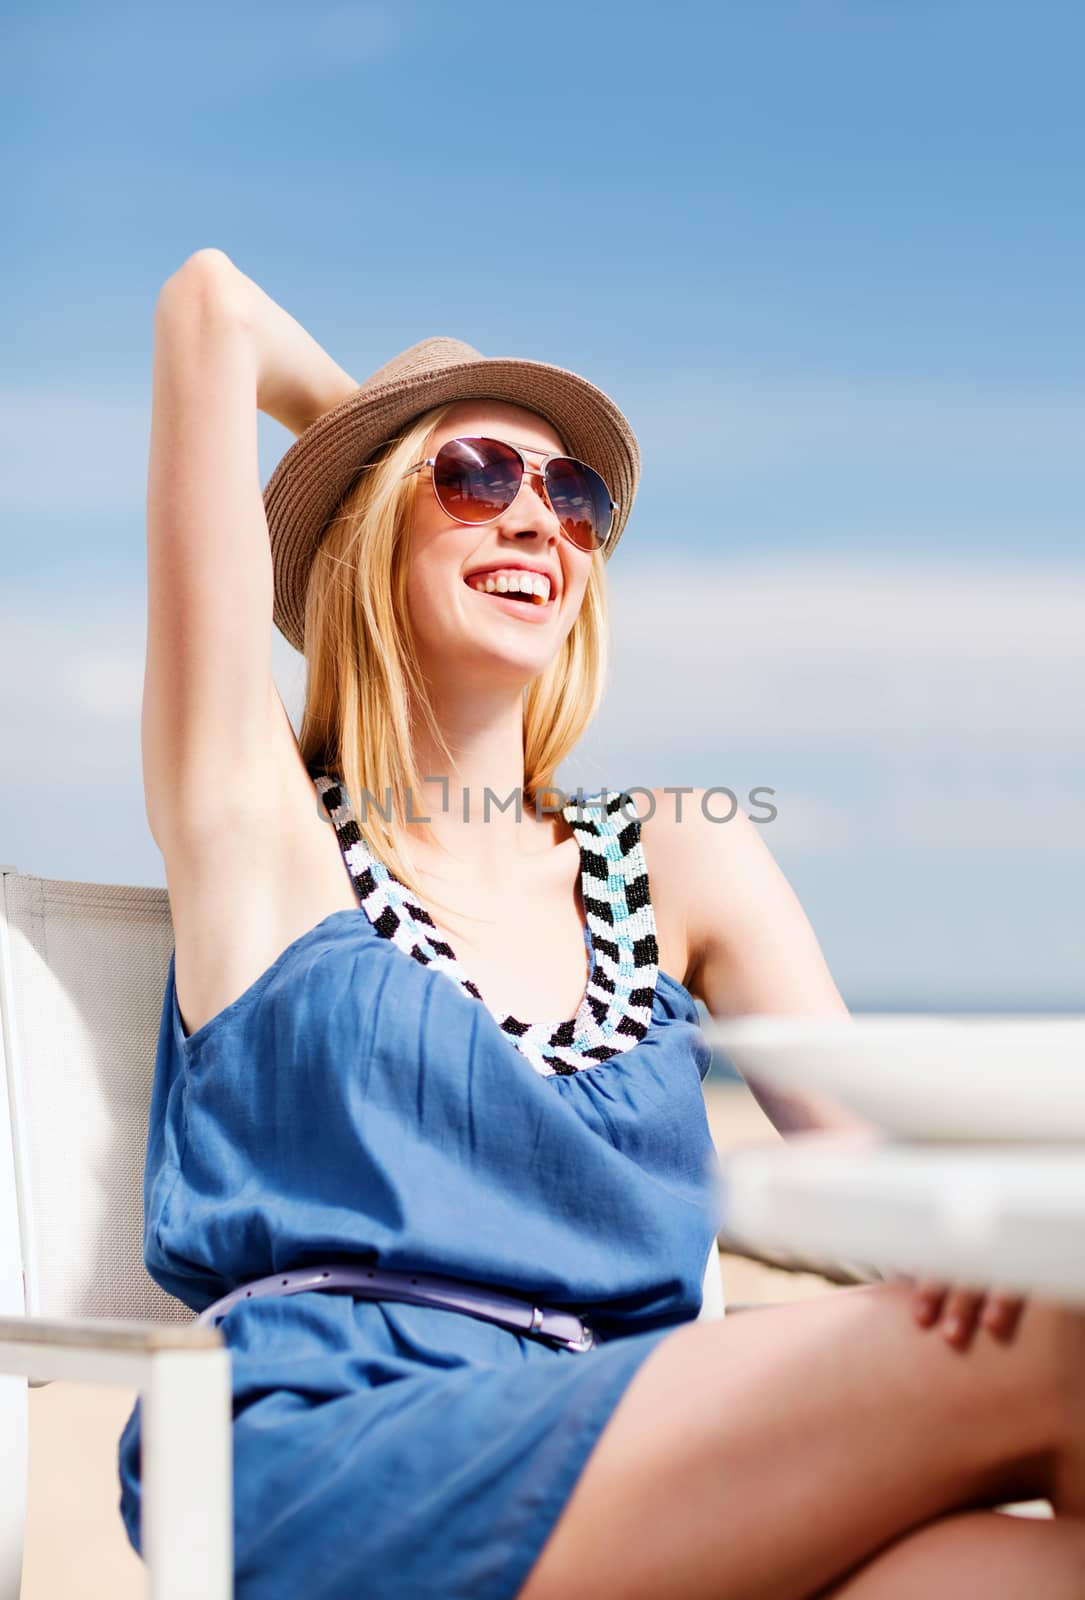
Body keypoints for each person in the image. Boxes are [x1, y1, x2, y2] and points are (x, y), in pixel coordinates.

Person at [118, 246, 1085, 1599]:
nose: (536, 519)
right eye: (473, 477)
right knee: (1060, 1355)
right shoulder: (267, 837)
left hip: (655, 1434)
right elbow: (208, 308)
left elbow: (877, 1189)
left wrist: (986, 1261)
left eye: (570, 496)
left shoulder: (681, 856)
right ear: (369, 525)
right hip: (342, 1448)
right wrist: (369, 446)